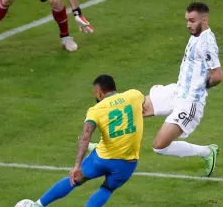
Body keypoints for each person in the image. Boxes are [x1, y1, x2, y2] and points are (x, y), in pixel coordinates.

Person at [90, 2, 223, 177]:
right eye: (187, 20)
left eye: (192, 20)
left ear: (204, 20)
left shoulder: (207, 43)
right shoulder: (196, 35)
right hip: (176, 91)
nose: (188, 24)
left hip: (189, 102)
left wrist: (198, 87)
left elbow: (217, 76)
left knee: (159, 146)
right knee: (131, 108)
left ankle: (207, 152)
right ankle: (103, 147)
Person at [29, 74, 145, 207]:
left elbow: (85, 136)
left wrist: (77, 165)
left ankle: (37, 205)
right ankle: (95, 147)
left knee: (74, 179)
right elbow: (145, 105)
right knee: (107, 189)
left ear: (99, 92)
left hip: (101, 159)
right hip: (126, 164)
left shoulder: (96, 110)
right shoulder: (134, 95)